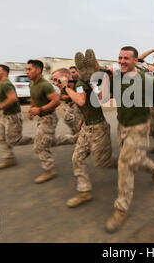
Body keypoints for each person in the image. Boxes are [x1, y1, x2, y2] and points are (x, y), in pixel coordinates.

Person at [100, 46, 154, 233]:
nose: (122, 61)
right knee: (136, 160)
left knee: (125, 164)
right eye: (119, 57)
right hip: (122, 126)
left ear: (136, 61)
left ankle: (121, 208)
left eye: (126, 58)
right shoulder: (116, 79)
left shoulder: (147, 80)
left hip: (139, 128)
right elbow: (102, 99)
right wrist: (105, 78)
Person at [60, 50, 116, 208]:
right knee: (77, 158)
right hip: (87, 128)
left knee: (103, 162)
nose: (76, 73)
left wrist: (65, 88)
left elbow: (82, 101)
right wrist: (83, 119)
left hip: (98, 128)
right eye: (78, 70)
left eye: (75, 71)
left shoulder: (81, 85)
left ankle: (127, 165)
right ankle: (85, 191)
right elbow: (88, 104)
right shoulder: (82, 84)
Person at [27, 60, 77, 184]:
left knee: (40, 145)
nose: (27, 72)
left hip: (49, 118)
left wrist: (39, 109)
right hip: (41, 117)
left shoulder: (45, 85)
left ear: (38, 70)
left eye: (29, 69)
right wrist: (31, 110)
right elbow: (33, 97)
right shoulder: (32, 84)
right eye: (26, 70)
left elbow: (56, 101)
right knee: (50, 141)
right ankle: (76, 139)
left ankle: (49, 170)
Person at [0, 64, 34, 169]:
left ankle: (38, 139)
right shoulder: (1, 84)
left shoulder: (6, 84)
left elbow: (13, 98)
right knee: (1, 137)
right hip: (5, 116)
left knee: (14, 140)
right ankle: (9, 159)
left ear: (5, 72)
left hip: (13, 116)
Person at [51, 68, 83, 136]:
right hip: (71, 106)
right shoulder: (63, 87)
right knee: (67, 118)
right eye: (54, 81)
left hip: (84, 112)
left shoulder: (79, 85)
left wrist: (73, 98)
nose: (56, 84)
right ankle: (76, 132)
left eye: (57, 80)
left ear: (66, 76)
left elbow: (82, 102)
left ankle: (81, 132)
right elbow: (61, 96)